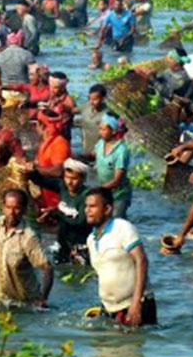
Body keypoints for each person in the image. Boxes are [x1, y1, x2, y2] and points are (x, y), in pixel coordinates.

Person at [85, 187, 155, 326]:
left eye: (92, 206)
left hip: (135, 305)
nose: (87, 210)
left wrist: (136, 303)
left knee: (134, 346)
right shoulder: (91, 240)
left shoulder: (122, 228)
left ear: (107, 209)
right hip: (110, 309)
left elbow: (141, 260)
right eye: (86, 206)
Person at [26, 158, 92, 263]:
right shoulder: (63, 187)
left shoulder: (87, 196)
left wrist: (55, 213)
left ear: (83, 178)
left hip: (81, 245)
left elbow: (80, 221)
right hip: (63, 242)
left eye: (74, 179)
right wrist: (31, 171)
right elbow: (41, 181)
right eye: (67, 177)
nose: (69, 182)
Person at [90, 113, 132, 219]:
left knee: (117, 221)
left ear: (113, 131)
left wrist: (97, 189)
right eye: (100, 129)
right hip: (105, 192)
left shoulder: (121, 151)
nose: (100, 132)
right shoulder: (100, 143)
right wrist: (78, 157)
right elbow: (92, 155)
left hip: (119, 195)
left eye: (104, 130)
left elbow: (117, 180)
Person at [79, 84, 108, 155]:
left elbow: (112, 137)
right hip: (86, 149)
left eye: (95, 99)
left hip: (100, 152)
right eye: (89, 99)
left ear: (103, 99)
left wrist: (98, 150)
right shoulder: (86, 106)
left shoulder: (107, 115)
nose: (91, 102)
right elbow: (72, 110)